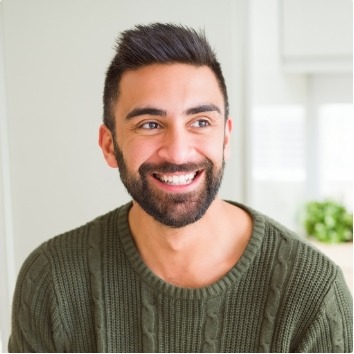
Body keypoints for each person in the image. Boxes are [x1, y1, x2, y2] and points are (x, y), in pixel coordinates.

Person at [9, 23, 352, 353]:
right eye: (150, 124)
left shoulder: (313, 292)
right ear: (110, 145)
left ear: (226, 138)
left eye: (200, 122)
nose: (178, 151)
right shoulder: (51, 280)